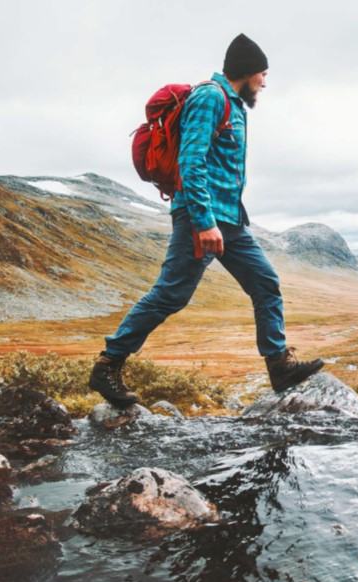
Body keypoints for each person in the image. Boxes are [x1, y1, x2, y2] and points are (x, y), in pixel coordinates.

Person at [89, 34, 324, 408]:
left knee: (265, 283)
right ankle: (108, 364)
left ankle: (279, 366)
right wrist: (203, 221)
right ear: (247, 73)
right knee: (171, 294)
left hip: (230, 220)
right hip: (202, 217)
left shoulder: (234, 105)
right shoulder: (210, 97)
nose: (265, 82)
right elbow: (190, 161)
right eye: (263, 74)